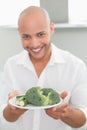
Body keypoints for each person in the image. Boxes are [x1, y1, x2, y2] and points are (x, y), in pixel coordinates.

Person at [0, 6, 87, 130]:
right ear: (19, 33)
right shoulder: (11, 65)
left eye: (40, 34)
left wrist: (66, 113)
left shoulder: (75, 66)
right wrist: (12, 110)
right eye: (26, 36)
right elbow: (5, 118)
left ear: (51, 29)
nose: (34, 44)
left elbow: (83, 120)